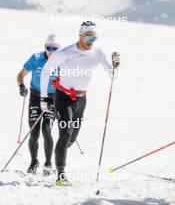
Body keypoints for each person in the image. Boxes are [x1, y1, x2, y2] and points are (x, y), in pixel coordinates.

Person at [40, 21, 120, 185]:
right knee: (65, 133)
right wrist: (43, 97)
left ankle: (58, 154)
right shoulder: (65, 52)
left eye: (95, 37)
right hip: (62, 96)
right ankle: (61, 174)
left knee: (72, 137)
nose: (92, 40)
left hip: (81, 99)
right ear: (81, 35)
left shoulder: (97, 52)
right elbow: (46, 71)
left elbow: (113, 76)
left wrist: (116, 65)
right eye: (89, 36)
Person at [17, 34, 60, 175]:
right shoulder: (36, 58)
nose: (52, 51)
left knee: (47, 130)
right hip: (35, 97)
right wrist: (22, 86)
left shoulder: (61, 61)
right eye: (49, 47)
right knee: (34, 132)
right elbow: (20, 75)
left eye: (55, 48)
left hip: (52, 99)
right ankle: (33, 162)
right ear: (45, 47)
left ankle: (48, 163)